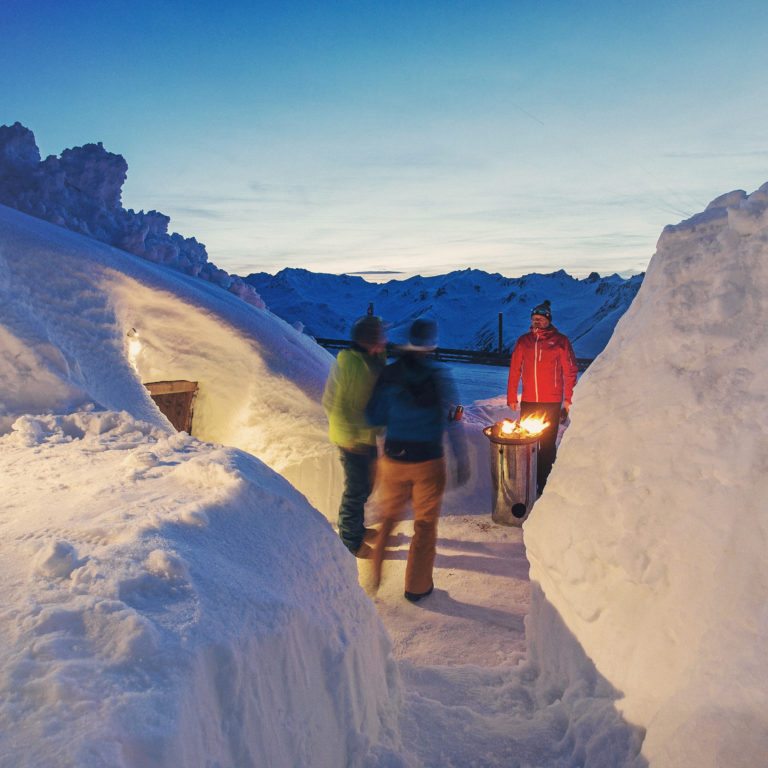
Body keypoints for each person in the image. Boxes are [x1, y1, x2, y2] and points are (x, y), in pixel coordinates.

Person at [365, 318, 468, 602]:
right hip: (428, 461)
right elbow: (451, 421)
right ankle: (417, 587)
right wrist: (461, 458)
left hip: (394, 458)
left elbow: (372, 416)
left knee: (388, 517)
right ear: (431, 345)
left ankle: (374, 574)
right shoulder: (437, 374)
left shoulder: (390, 373)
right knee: (424, 525)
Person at [322, 315, 387, 556]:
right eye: (380, 337)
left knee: (367, 486)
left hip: (366, 436)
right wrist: (349, 438)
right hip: (352, 439)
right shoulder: (351, 363)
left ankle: (356, 528)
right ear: (368, 341)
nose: (384, 340)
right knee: (356, 490)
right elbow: (334, 403)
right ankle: (350, 541)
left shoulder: (373, 359)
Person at [507, 300, 578, 495]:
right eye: (534, 319)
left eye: (541, 318)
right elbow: (515, 369)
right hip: (529, 401)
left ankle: (544, 486)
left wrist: (568, 400)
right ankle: (525, 481)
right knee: (526, 442)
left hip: (551, 402)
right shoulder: (524, 341)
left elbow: (570, 372)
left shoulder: (561, 341)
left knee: (547, 444)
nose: (537, 321)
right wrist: (512, 395)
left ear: (548, 320)